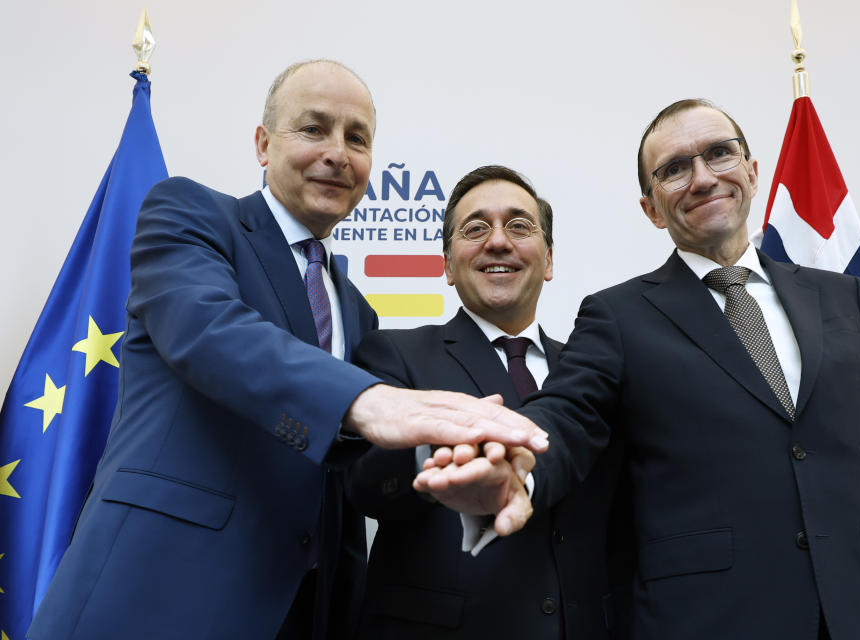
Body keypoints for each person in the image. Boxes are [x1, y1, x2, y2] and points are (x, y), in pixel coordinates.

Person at [26, 60, 546, 640]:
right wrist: (373, 402)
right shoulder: (189, 214)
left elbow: (343, 472)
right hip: (154, 594)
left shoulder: (357, 308)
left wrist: (449, 465)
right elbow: (210, 331)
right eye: (313, 129)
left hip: (300, 613)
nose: (337, 153)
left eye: (357, 138)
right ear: (263, 144)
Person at [417, 99, 860, 639]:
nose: (702, 178)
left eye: (719, 154)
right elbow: (568, 415)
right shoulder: (618, 316)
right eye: (674, 169)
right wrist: (516, 462)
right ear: (652, 208)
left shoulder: (847, 299)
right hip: (710, 621)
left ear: (750, 172)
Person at [345, 165, 635, 639]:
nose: (498, 242)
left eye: (519, 226)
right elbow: (362, 482)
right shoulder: (394, 352)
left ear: (549, 259)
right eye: (475, 228)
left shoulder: (595, 369)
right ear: (446, 265)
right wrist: (437, 453)